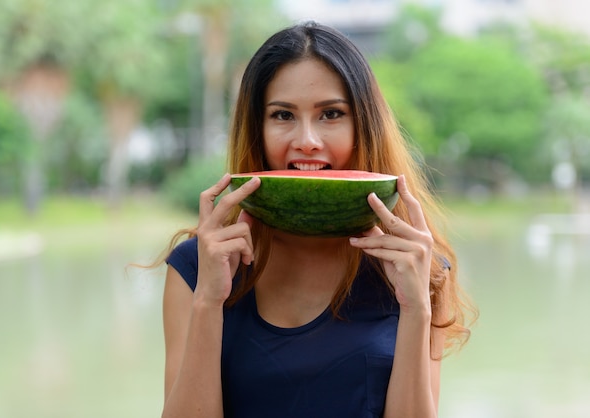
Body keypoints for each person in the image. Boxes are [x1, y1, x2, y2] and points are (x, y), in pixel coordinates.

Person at [158, 21, 475, 418]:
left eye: (330, 114)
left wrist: (416, 311)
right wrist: (209, 300)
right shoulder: (195, 269)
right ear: (257, 129)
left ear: (364, 127)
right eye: (282, 115)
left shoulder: (417, 266)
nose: (307, 139)